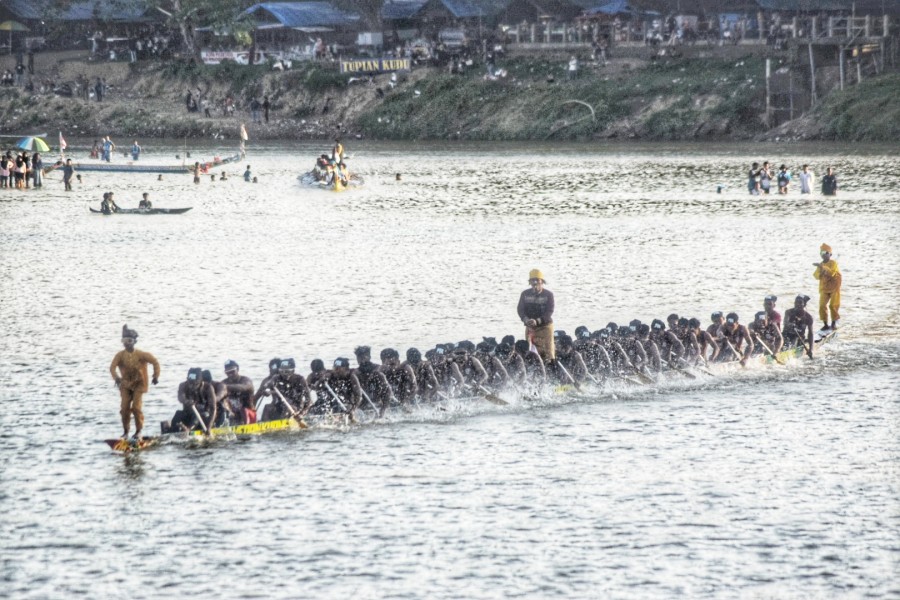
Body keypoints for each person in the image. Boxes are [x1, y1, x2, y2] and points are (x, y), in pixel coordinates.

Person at [109, 325, 160, 441]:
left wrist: (155, 376)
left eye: (129, 341)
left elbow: (155, 362)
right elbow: (112, 368)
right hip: (125, 385)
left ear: (134, 342)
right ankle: (126, 432)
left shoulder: (141, 355)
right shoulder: (120, 355)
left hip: (139, 384)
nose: (126, 344)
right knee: (124, 408)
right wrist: (116, 378)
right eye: (124, 341)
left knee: (136, 408)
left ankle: (138, 431)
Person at [517, 269, 555, 362]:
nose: (535, 283)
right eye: (532, 280)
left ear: (542, 282)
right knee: (529, 351)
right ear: (529, 282)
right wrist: (525, 320)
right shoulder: (524, 294)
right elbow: (520, 309)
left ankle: (551, 367)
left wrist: (537, 321)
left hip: (545, 327)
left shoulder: (548, 295)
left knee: (548, 353)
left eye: (537, 280)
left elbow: (549, 311)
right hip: (530, 327)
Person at [166, 368, 217, 434]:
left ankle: (188, 430)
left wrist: (209, 427)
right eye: (190, 383)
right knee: (178, 414)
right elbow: (180, 397)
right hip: (188, 414)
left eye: (195, 384)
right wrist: (186, 401)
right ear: (187, 379)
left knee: (198, 415)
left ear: (201, 381)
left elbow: (213, 409)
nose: (191, 386)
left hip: (204, 417)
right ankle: (172, 431)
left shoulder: (208, 388)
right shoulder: (183, 385)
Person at [813, 243, 841, 330]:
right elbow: (816, 276)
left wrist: (823, 267)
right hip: (824, 288)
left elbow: (832, 273)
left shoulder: (833, 263)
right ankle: (825, 324)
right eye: (821, 252)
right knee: (822, 306)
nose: (823, 254)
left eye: (826, 252)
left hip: (834, 288)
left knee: (833, 305)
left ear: (830, 254)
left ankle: (834, 322)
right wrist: (821, 272)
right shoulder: (820, 265)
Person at [222, 360, 256, 424]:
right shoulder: (224, 382)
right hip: (233, 414)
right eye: (227, 372)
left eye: (232, 371)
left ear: (237, 369)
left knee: (243, 411)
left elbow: (243, 387)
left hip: (248, 413)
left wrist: (225, 387)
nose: (230, 374)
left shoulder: (246, 380)